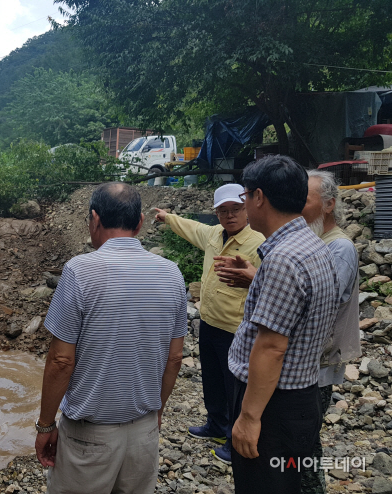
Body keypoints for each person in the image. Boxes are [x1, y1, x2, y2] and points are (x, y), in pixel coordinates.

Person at [35, 182, 188, 494]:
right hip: (144, 431)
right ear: (140, 222)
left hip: (89, 438)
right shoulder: (172, 273)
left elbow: (62, 361)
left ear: (94, 219)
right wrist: (156, 414)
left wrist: (46, 425)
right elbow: (174, 358)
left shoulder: (80, 271)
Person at [216, 169, 360, 494]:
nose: (244, 205)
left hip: (273, 405)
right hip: (300, 394)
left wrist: (250, 417)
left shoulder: (283, 258)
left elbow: (271, 348)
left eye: (245, 197)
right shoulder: (313, 244)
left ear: (259, 198)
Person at [153, 183, 264, 464]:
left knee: (234, 386)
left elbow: (272, 283)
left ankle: (233, 438)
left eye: (236, 209)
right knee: (212, 380)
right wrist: (167, 218)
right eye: (223, 211)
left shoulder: (259, 243)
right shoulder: (214, 235)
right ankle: (216, 425)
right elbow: (191, 227)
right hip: (209, 323)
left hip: (236, 328)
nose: (230, 216)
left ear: (246, 209)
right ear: (216, 213)